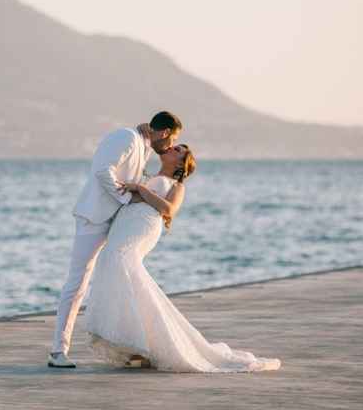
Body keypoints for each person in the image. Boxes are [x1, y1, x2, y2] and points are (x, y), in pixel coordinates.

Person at [84, 144, 282, 372]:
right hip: (126, 222)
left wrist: (140, 189)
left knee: (121, 262)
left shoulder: (176, 186)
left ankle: (142, 342)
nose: (171, 148)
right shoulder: (148, 175)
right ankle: (135, 343)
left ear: (180, 163)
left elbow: (168, 209)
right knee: (114, 264)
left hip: (144, 224)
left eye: (177, 150)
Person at [48, 111, 182, 368]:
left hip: (120, 222)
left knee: (126, 279)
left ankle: (134, 345)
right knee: (78, 282)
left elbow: (137, 180)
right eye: (173, 139)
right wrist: (127, 198)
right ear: (165, 133)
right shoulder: (126, 137)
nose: (172, 145)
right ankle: (58, 351)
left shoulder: (144, 147)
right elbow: (102, 171)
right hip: (95, 218)